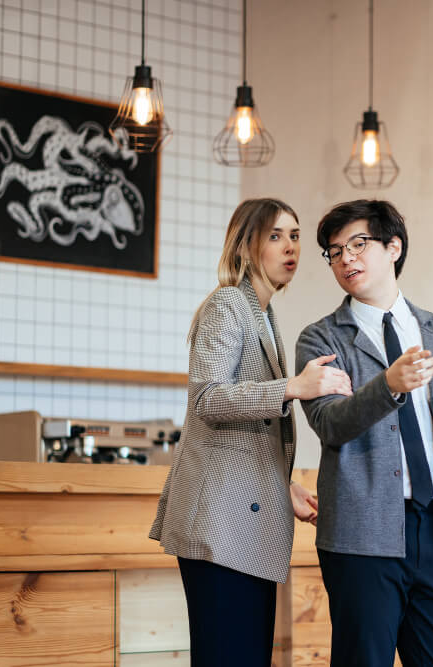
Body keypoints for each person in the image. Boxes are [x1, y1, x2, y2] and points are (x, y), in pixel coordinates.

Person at [295, 199, 433, 667]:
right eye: (334, 252)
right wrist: (389, 386)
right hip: (361, 534)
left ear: (393, 247)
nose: (346, 258)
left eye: (358, 244)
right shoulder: (322, 338)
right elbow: (330, 424)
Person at [149, 198, 352, 665]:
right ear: (246, 246)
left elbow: (246, 435)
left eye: (296, 236)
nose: (290, 248)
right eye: (276, 236)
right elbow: (208, 399)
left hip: (242, 524)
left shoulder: (262, 312)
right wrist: (293, 386)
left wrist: (283, 485)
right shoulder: (227, 305)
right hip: (220, 528)